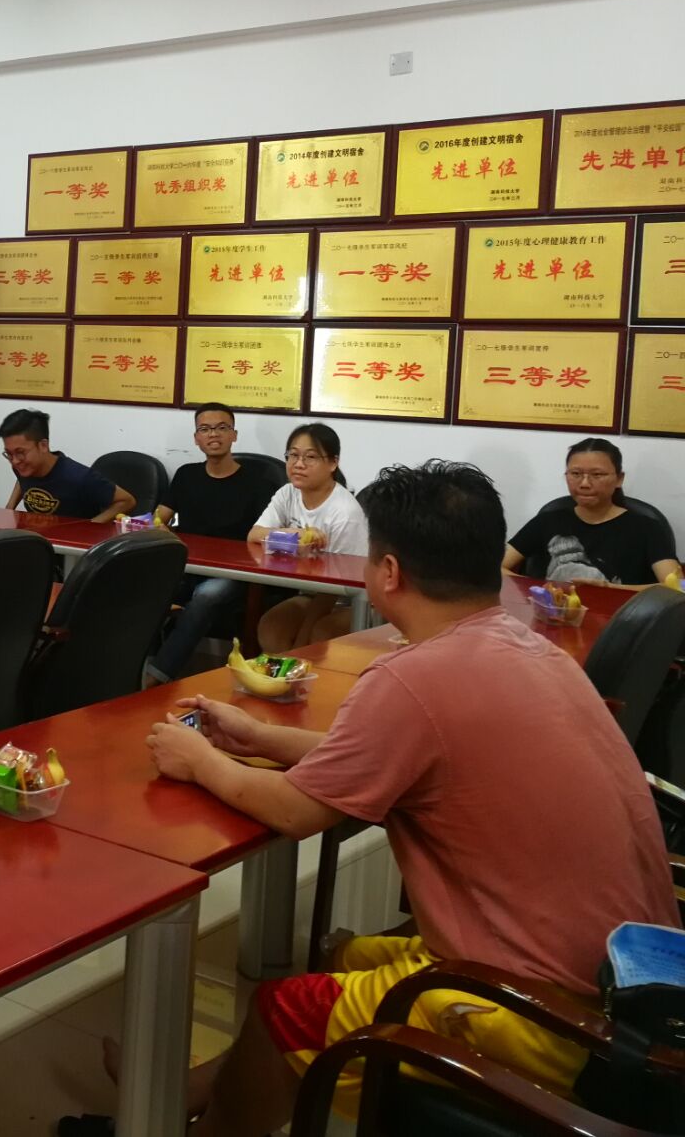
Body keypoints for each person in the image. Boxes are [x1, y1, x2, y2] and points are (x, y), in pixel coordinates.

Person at [96, 461, 675, 1137]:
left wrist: (199, 761)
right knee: (348, 959)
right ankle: (187, 1092)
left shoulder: (413, 676)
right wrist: (255, 735)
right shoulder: (526, 647)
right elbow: (400, 756)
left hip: (552, 1010)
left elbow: (296, 812)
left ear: (389, 571)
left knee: (285, 1009)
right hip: (631, 978)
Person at [146, 405, 276, 683]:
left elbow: (263, 535)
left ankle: (156, 676)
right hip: (187, 564)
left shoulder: (258, 482)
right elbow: (159, 518)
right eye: (205, 429)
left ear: (234, 435)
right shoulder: (186, 474)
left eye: (221, 428)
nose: (213, 434)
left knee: (207, 596)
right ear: (196, 438)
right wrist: (154, 525)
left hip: (233, 571)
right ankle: (132, 664)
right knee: (144, 585)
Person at [248, 422, 367, 650]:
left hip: (351, 600)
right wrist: (290, 535)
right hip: (310, 592)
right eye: (293, 455)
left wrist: (301, 645)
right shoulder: (287, 493)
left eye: (310, 457)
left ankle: (300, 670)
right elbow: (254, 535)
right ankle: (284, 673)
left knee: (321, 633)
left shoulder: (344, 512)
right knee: (271, 626)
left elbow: (335, 587)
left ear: (333, 463)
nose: (298, 464)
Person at [503, 437, 680, 588]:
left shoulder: (647, 527)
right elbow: (495, 567)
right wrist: (538, 589)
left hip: (620, 616)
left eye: (597, 475)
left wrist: (609, 589)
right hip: (553, 613)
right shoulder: (547, 520)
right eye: (576, 474)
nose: (584, 483)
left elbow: (677, 587)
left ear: (619, 479)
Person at [0, 409, 134, 522]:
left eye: (20, 453)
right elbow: (21, 479)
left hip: (73, 544)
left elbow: (127, 501)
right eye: (9, 454)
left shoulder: (78, 477)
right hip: (40, 536)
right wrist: (10, 508)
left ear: (43, 445)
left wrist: (91, 526)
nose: (15, 461)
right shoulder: (23, 467)